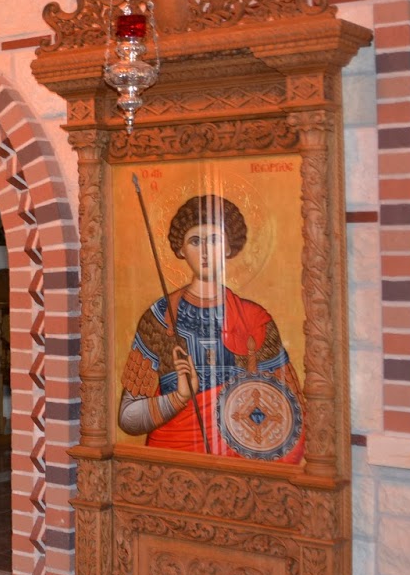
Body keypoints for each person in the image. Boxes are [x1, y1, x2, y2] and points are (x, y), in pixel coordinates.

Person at [117, 194, 305, 462]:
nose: (205, 251)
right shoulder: (160, 318)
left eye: (214, 240)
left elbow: (290, 410)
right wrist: (179, 398)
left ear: (229, 247)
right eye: (195, 241)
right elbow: (128, 417)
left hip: (240, 464)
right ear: (181, 250)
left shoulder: (254, 319)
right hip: (172, 460)